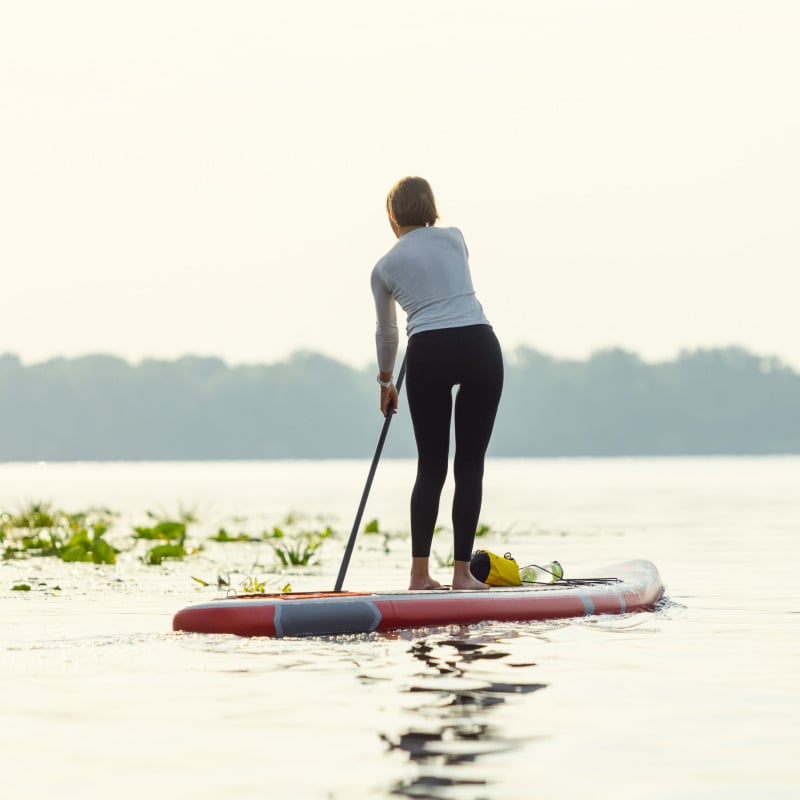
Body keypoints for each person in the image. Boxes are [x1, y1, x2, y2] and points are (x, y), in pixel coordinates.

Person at [371, 176, 504, 590]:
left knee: (431, 466)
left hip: (429, 351)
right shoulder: (455, 237)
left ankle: (419, 576)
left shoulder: (384, 267)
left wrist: (386, 381)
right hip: (480, 346)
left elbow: (388, 333)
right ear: (431, 206)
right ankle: (462, 575)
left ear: (392, 215)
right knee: (470, 465)